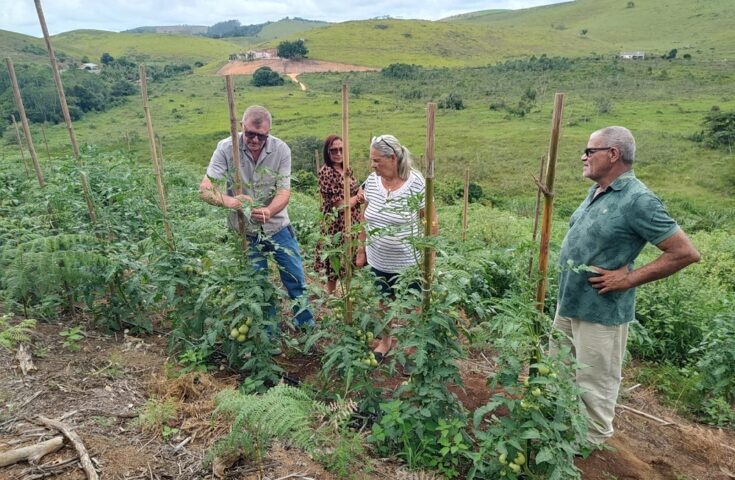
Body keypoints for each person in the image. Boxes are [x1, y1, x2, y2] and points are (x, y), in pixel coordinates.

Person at [551, 126, 700, 445]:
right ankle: (561, 432)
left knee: (594, 382)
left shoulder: (638, 200)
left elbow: (684, 252)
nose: (583, 157)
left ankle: (590, 447)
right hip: (569, 304)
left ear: (613, 154)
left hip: (601, 311)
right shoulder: (599, 190)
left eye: (589, 151)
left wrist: (628, 278)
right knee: (559, 370)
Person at [199, 105, 314, 328]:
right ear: (242, 127)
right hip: (246, 232)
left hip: (279, 228)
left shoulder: (281, 150)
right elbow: (205, 189)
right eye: (250, 134)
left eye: (261, 136)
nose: (255, 140)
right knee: (258, 286)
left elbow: (284, 191)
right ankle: (268, 335)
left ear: (268, 133)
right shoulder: (226, 148)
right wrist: (234, 202)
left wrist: (270, 211)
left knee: (295, 278)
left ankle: (306, 326)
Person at [356, 134, 438, 360]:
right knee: (383, 303)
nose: (372, 165)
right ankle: (385, 341)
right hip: (378, 259)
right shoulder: (372, 181)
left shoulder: (417, 183)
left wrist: (430, 255)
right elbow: (365, 216)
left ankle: (413, 350)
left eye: (376, 160)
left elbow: (430, 221)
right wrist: (361, 248)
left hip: (408, 264)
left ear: (392, 158)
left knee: (413, 306)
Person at [314, 135, 363, 294]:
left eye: (341, 149)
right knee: (334, 257)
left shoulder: (347, 169)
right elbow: (339, 204)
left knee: (351, 254)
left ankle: (347, 292)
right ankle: (331, 293)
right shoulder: (326, 172)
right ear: (327, 152)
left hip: (353, 219)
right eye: (333, 150)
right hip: (335, 222)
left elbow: (355, 191)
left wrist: (359, 194)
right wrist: (356, 198)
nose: (338, 153)